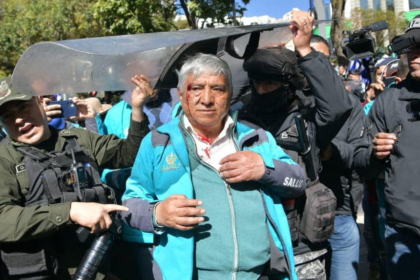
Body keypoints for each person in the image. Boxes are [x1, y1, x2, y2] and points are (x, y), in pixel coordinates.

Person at [122, 53, 307, 279]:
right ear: (181, 94)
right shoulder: (157, 143)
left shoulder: (258, 138)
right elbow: (129, 205)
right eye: (196, 88)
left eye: (218, 89)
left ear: (230, 95)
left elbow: (298, 181)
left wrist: (264, 168)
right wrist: (158, 214)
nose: (207, 99)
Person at [0, 74, 152, 279]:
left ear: (40, 101)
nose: (18, 119)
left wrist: (137, 109)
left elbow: (130, 154)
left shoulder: (79, 140)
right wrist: (70, 211)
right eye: (8, 116)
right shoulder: (4, 158)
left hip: (96, 266)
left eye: (23, 107)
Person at [239, 12, 353, 280]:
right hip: (256, 243)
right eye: (258, 82)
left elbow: (338, 107)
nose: (264, 89)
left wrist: (304, 49)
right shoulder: (243, 117)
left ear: (287, 83)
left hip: (301, 246)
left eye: (271, 81)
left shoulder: (308, 116)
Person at [354, 16, 420, 279]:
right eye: (412, 46)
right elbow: (361, 164)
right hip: (403, 230)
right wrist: (373, 153)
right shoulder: (388, 101)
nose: (415, 54)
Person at [310, 38, 366, 280]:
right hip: (298, 221)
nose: (315, 67)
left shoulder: (350, 105)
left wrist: (332, 151)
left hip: (339, 215)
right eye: (308, 59)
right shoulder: (287, 103)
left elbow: (361, 154)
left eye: (321, 61)